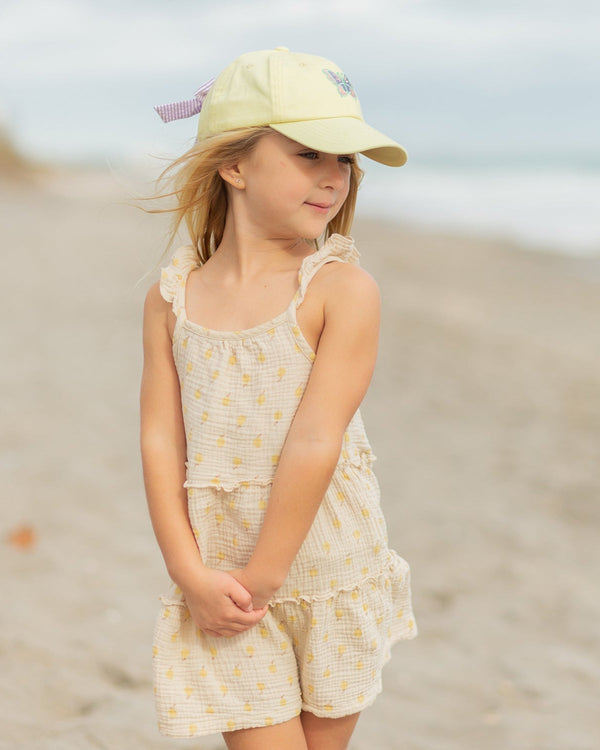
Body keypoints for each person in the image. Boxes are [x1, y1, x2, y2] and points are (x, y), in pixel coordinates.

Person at [140, 47, 417, 750]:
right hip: (224, 577)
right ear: (234, 165)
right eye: (308, 155)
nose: (333, 179)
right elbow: (159, 439)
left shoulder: (340, 291)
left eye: (345, 161)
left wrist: (269, 572)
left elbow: (316, 437)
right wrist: (188, 571)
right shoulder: (172, 298)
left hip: (329, 566)